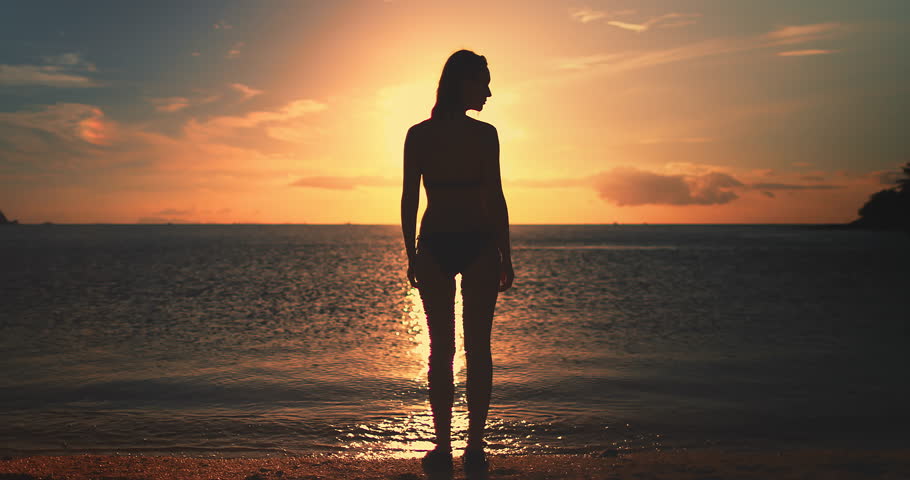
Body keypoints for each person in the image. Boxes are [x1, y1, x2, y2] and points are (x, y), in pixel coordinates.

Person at [400, 49, 514, 473]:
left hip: (475, 246)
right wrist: (412, 254)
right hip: (440, 246)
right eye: (482, 82)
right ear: (461, 82)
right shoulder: (420, 135)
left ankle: (471, 446)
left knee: (469, 349)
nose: (488, 91)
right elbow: (409, 196)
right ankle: (450, 446)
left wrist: (505, 252)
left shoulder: (485, 135)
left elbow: (495, 197)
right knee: (446, 349)